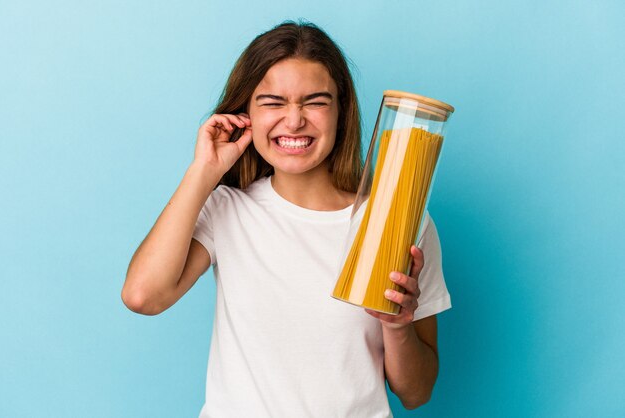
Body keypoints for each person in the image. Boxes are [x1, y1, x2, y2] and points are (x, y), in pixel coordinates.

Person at [122, 20, 451, 418]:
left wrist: (398, 325)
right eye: (273, 102)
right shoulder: (227, 208)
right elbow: (143, 296)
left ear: (340, 112)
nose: (294, 121)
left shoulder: (397, 223)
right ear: (246, 113)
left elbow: (416, 394)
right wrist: (203, 170)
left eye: (314, 102)